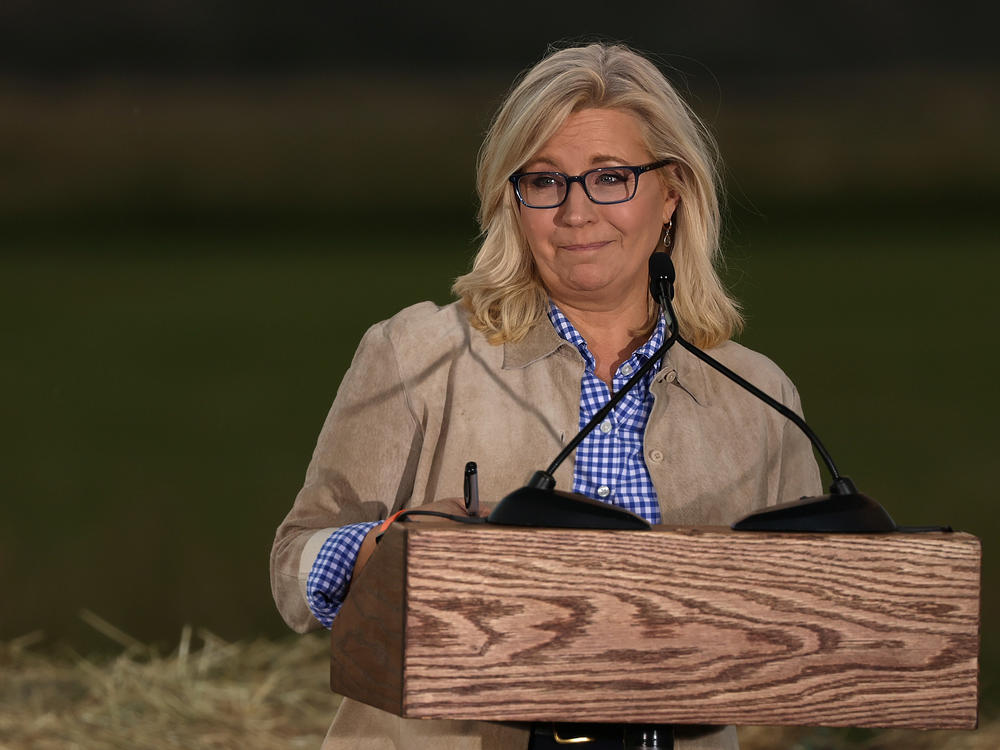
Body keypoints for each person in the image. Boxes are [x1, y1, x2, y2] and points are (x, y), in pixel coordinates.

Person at [271, 43, 821, 750]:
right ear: (513, 198)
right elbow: (292, 569)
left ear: (673, 194)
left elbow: (811, 615)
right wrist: (380, 549)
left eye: (611, 178)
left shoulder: (758, 395)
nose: (576, 212)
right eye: (545, 181)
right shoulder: (414, 356)